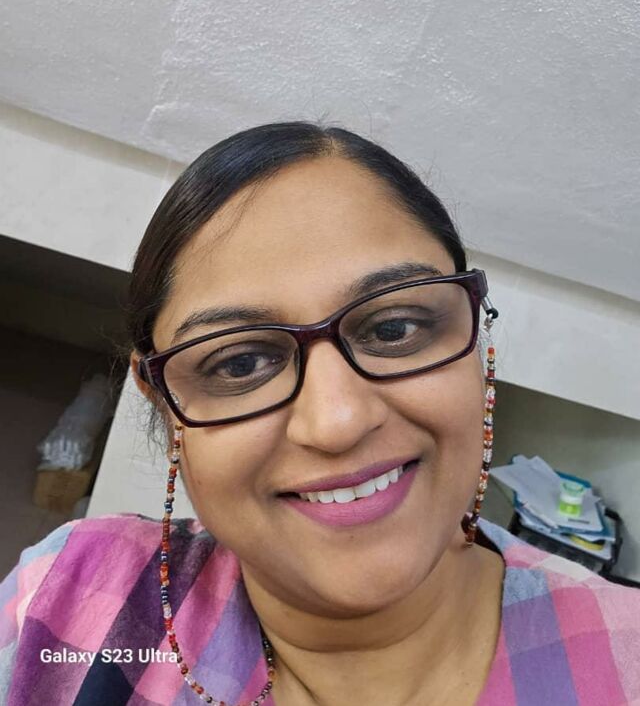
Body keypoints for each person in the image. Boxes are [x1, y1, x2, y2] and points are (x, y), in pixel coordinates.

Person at [1, 122, 638, 706]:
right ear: (164, 405)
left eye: (393, 327)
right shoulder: (69, 597)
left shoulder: (624, 657)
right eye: (241, 363)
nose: (337, 422)